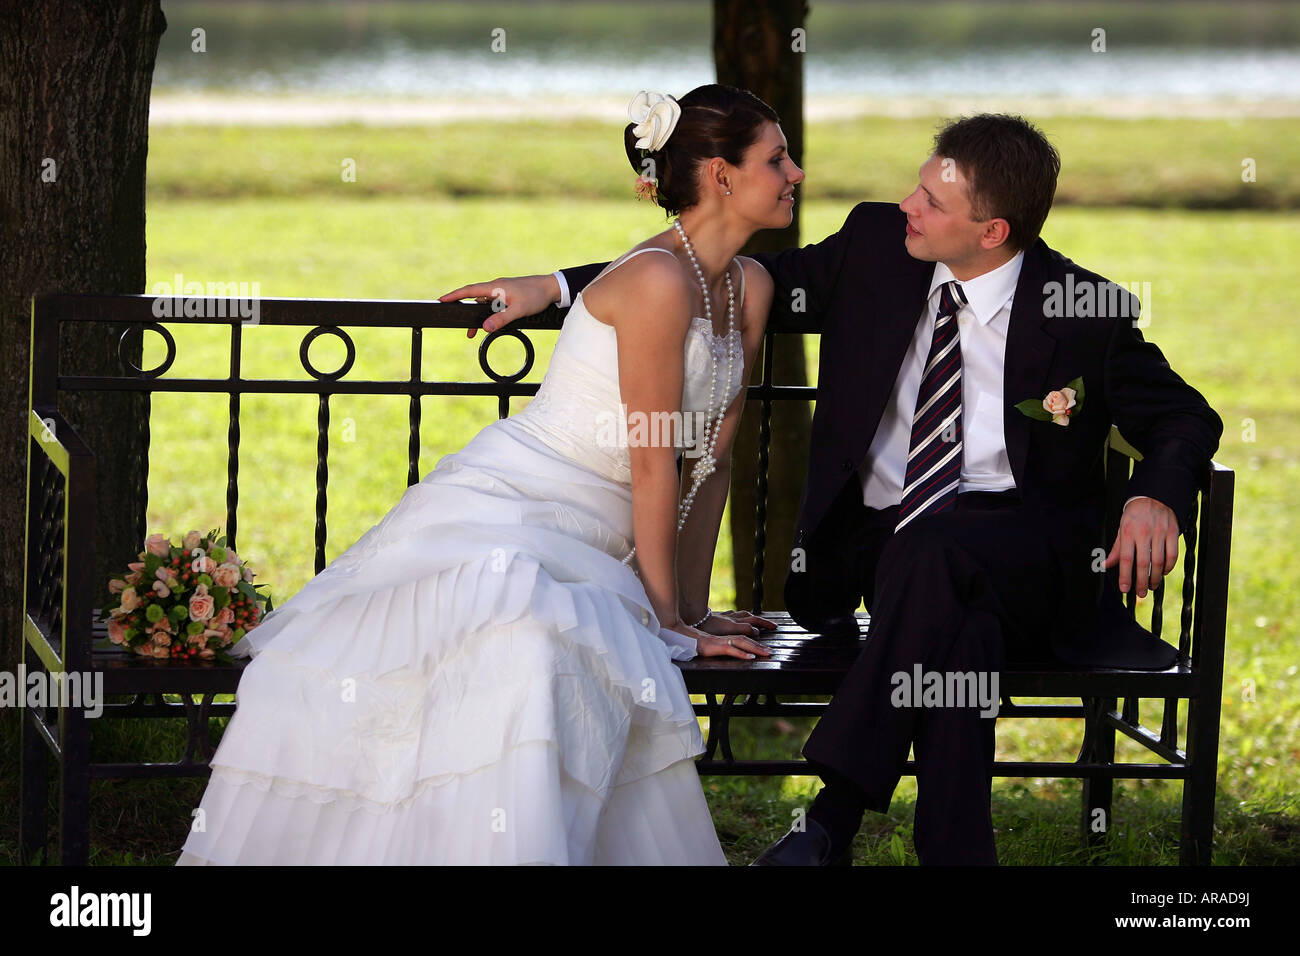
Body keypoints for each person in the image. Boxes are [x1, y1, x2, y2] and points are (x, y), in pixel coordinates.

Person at [454, 113, 1223, 865]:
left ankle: (829, 819)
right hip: (896, 573)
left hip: (1030, 568)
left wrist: (1153, 494)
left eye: (930, 202)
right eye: (916, 188)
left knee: (939, 550)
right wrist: (556, 287)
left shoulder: (1082, 313)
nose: (907, 208)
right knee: (957, 628)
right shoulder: (879, 250)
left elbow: (1186, 418)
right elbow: (703, 276)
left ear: (992, 232)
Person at [175, 83, 800, 866]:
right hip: (527, 505)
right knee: (522, 637)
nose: (796, 174)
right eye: (777, 159)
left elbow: (710, 462)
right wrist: (665, 622)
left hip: (613, 533)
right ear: (720, 175)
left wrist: (697, 612)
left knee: (568, 639)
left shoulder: (752, 286)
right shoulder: (657, 282)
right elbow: (652, 457)